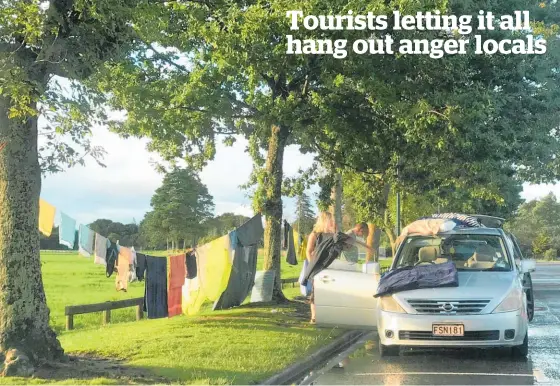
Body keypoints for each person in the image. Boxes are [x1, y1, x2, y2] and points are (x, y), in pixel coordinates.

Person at [306, 211, 336, 324]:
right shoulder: (314, 235)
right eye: (330, 220)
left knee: (329, 292)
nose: (331, 222)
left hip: (329, 266)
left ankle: (327, 315)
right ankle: (314, 317)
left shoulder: (332, 236)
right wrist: (312, 264)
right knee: (316, 292)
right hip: (317, 268)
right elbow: (308, 251)